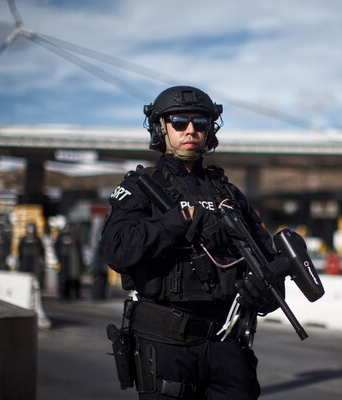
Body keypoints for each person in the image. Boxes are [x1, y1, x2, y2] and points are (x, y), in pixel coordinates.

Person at [101, 85, 285, 399]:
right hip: (166, 342)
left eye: (200, 124)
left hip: (226, 340)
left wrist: (264, 294)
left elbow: (265, 256)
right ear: (161, 129)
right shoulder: (141, 188)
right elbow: (117, 249)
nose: (191, 131)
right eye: (179, 122)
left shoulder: (227, 193)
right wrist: (173, 223)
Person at [55, 224, 84, 300]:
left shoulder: (75, 239)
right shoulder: (60, 238)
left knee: (74, 280)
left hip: (73, 264)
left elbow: (79, 251)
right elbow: (57, 249)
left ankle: (73, 295)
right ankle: (63, 295)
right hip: (64, 263)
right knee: (64, 280)